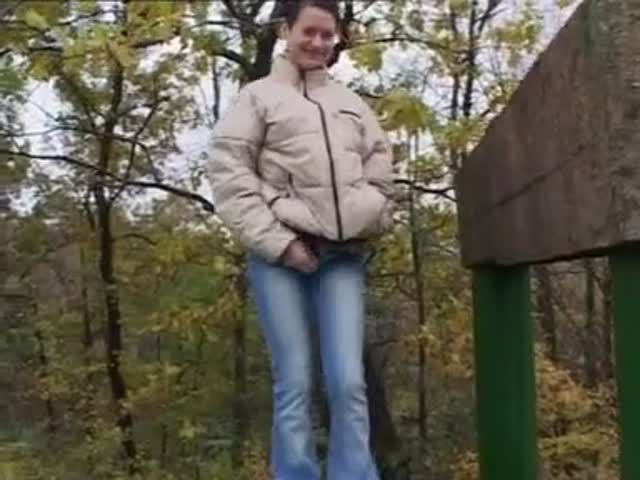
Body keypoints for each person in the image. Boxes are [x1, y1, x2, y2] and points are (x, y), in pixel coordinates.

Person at [206, 1, 395, 478]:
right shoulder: (257, 98)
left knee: (348, 382)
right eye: (308, 31)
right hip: (280, 256)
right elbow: (230, 176)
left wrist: (371, 211)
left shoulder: (351, 103)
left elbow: (380, 166)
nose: (317, 42)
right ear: (285, 31)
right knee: (293, 381)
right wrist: (280, 244)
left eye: (327, 35)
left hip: (342, 257)